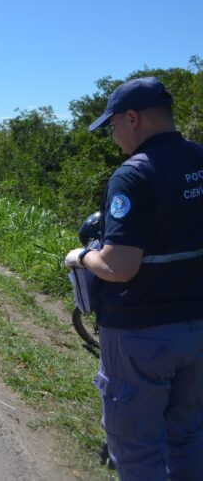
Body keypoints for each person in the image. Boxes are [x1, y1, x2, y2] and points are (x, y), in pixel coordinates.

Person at [64, 77, 203, 480]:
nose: (113, 136)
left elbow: (120, 266)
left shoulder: (133, 175)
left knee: (138, 450)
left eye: (113, 127)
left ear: (132, 118)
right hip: (196, 330)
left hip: (141, 335)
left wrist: (84, 256)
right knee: (189, 435)